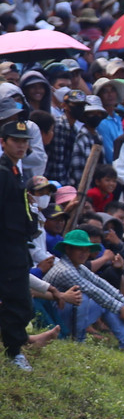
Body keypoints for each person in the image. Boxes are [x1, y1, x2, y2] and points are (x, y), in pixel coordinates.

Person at [42, 228, 124, 353]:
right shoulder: (65, 270)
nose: (84, 253)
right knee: (84, 298)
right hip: (52, 316)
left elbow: (99, 283)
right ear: (68, 249)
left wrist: (123, 302)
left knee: (105, 301)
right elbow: (92, 290)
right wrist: (121, 307)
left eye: (86, 250)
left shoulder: (78, 267)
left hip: (64, 310)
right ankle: (78, 340)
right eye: (79, 249)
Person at [0, 120, 35, 369]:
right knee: (17, 300)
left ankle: (15, 349)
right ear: (3, 143)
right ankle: (14, 353)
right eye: (16, 141)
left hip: (17, 245)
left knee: (20, 300)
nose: (21, 145)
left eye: (24, 141)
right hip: (6, 246)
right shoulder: (2, 173)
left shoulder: (14, 171)